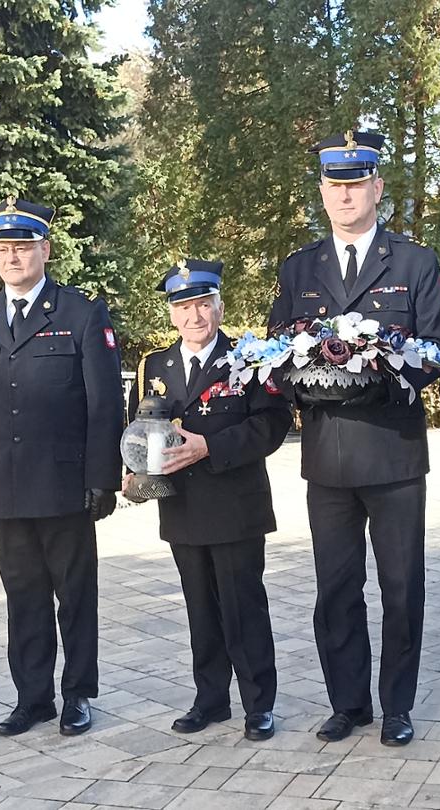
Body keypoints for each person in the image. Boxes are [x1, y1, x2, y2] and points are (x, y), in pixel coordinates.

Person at [265, 128, 440, 745]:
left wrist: (379, 377)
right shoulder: (299, 268)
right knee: (336, 588)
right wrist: (308, 381)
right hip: (327, 455)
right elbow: (274, 355)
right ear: (322, 192)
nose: (344, 195)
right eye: (333, 185)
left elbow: (436, 352)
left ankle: (396, 706)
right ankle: (348, 704)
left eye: (355, 184)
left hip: (394, 452)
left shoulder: (415, 263)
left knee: (402, 587)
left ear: (377, 189)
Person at [0, 196, 123, 737]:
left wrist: (102, 478)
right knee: (23, 598)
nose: (12, 257)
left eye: (22, 247)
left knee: (74, 596)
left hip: (66, 484)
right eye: (3, 248)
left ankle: (77, 695)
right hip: (5, 483)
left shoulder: (80, 313)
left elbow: (104, 403)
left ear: (45, 249)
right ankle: (32, 697)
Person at [124, 259, 290, 742]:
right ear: (172, 314)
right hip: (182, 506)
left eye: (203, 304)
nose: (195, 316)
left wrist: (210, 446)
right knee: (200, 609)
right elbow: (136, 427)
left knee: (244, 609)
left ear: (219, 307)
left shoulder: (250, 357)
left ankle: (259, 704)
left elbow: (272, 423)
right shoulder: (155, 366)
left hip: (236, 504)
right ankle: (211, 699)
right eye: (184, 307)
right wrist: (132, 467)